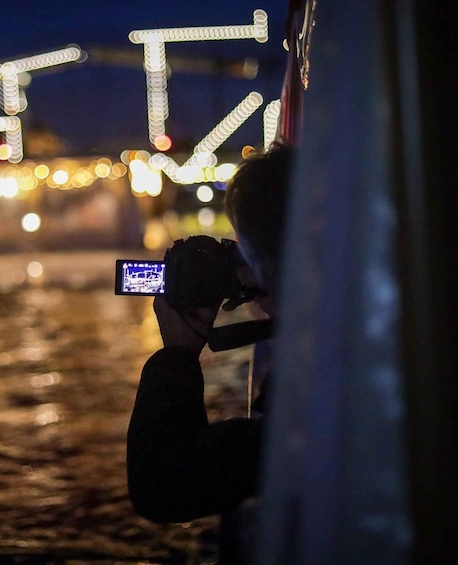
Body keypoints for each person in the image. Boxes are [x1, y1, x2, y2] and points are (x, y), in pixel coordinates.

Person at [126, 143, 293, 563]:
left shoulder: (316, 393)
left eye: (248, 250)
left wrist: (179, 353)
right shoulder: (363, 339)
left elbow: (163, 486)